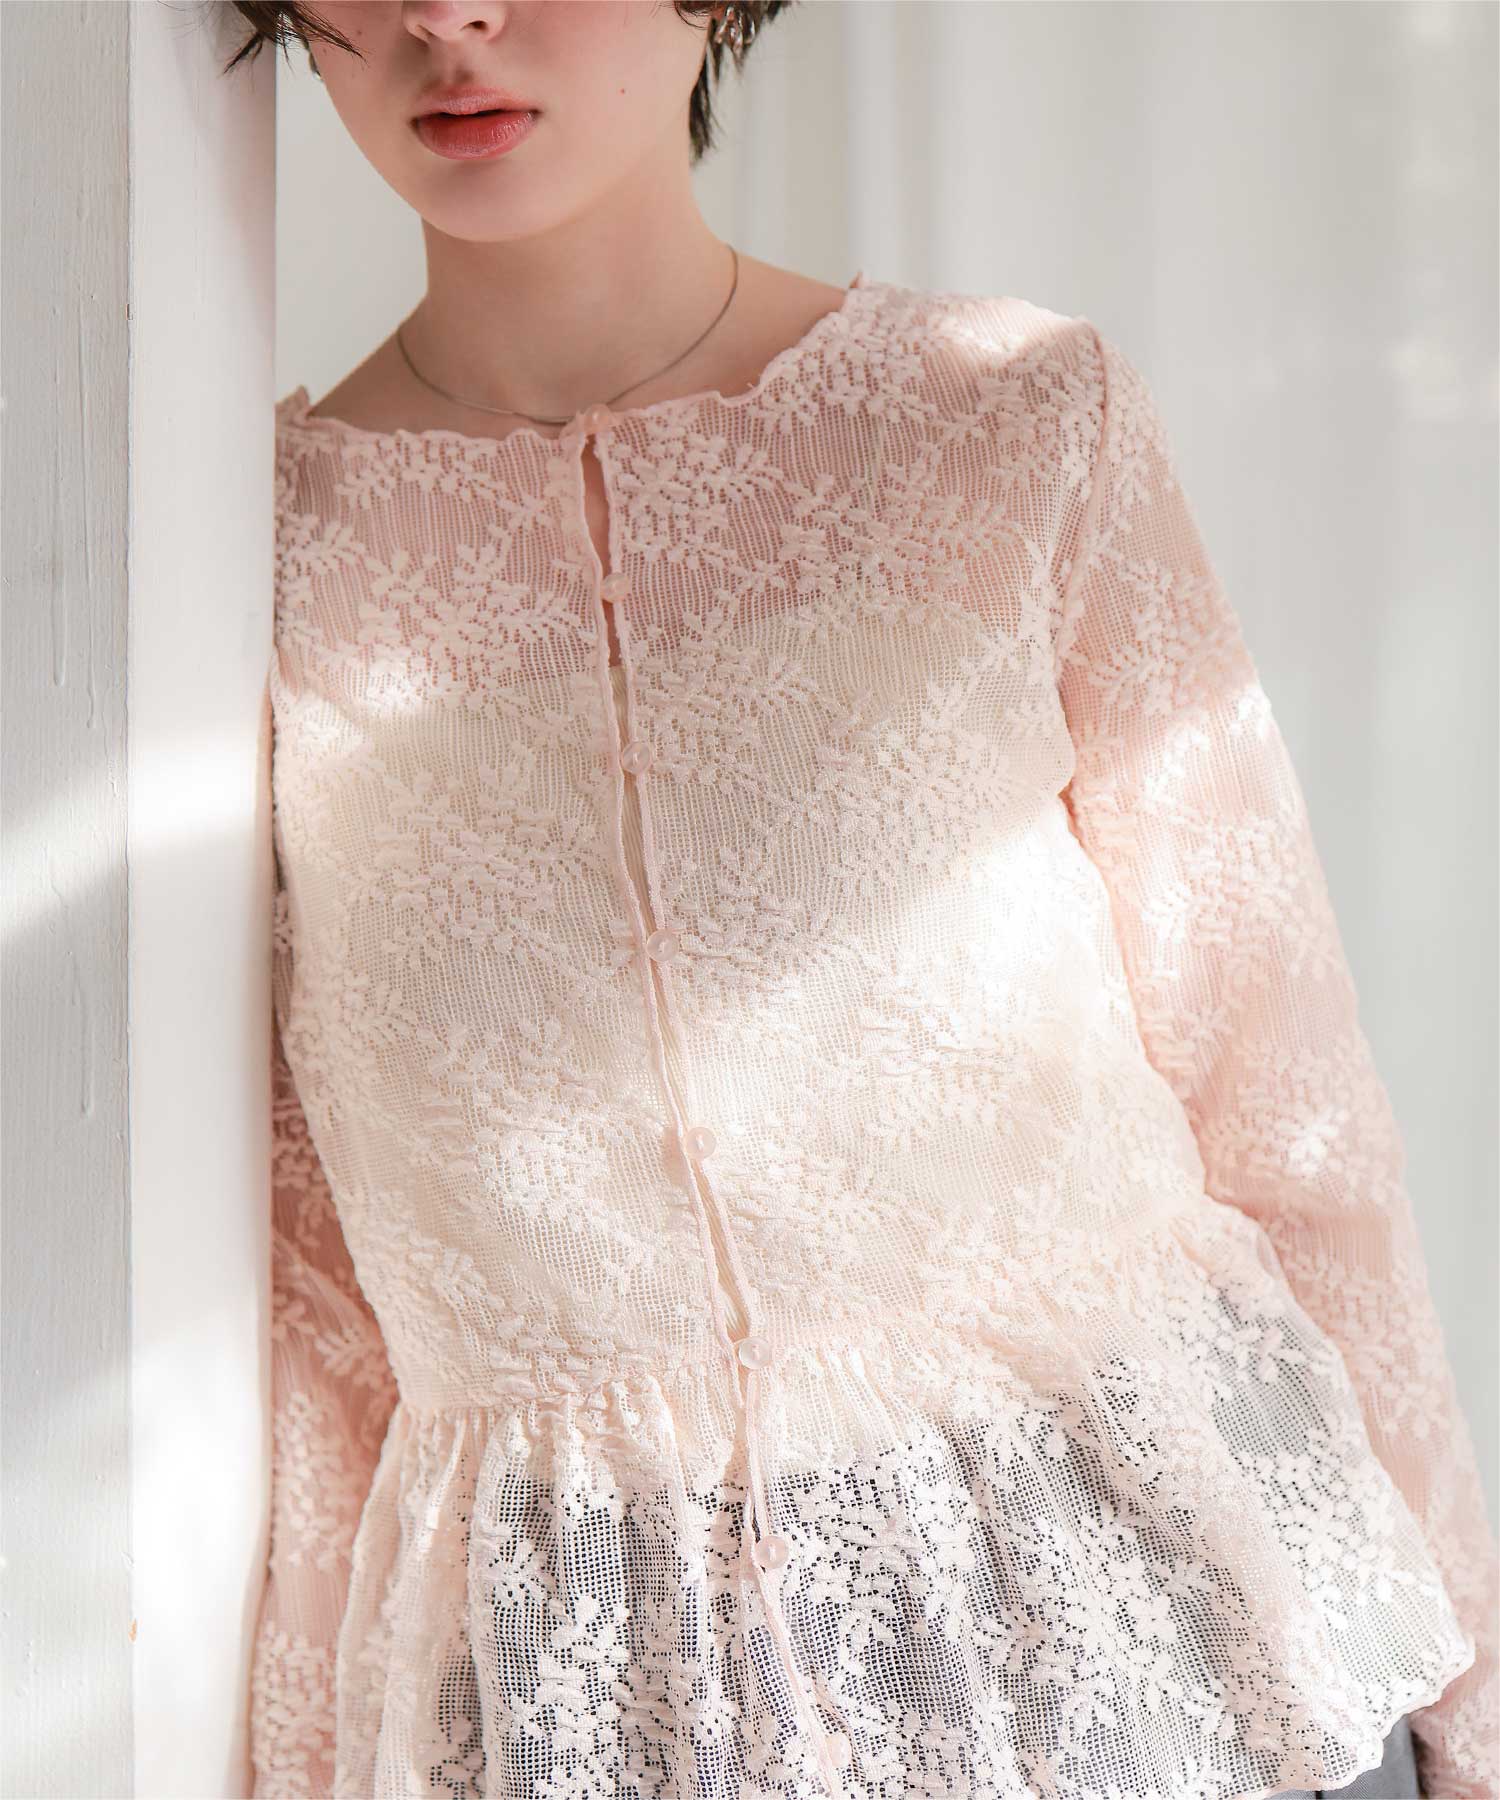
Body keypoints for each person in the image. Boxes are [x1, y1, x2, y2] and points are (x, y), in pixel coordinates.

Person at [227, 4, 1498, 1797]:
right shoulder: (252, 563)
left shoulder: (1008, 418)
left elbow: (1282, 1094)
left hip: (1178, 1639)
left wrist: (1470, 1685)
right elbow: (310, 1297)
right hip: (623, 1699)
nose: (448, 16)